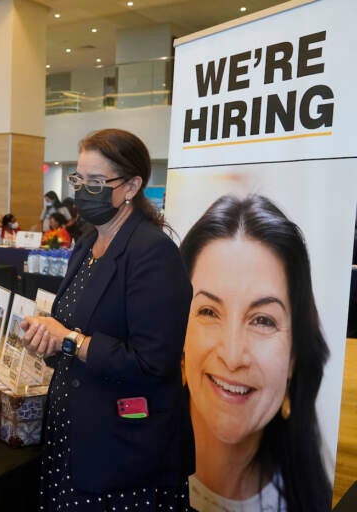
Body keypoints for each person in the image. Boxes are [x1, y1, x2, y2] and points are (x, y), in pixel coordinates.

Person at [20, 128, 194, 511]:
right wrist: (47, 338)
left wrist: (69, 339)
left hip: (123, 449)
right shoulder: (87, 243)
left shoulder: (153, 252)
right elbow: (75, 326)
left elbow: (153, 363)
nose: (83, 191)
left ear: (131, 186)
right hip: (72, 434)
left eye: (97, 181)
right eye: (79, 179)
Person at [180, 194, 331, 512]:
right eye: (209, 312)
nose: (233, 357)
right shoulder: (131, 472)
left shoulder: (309, 498)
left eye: (263, 320)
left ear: (294, 356)